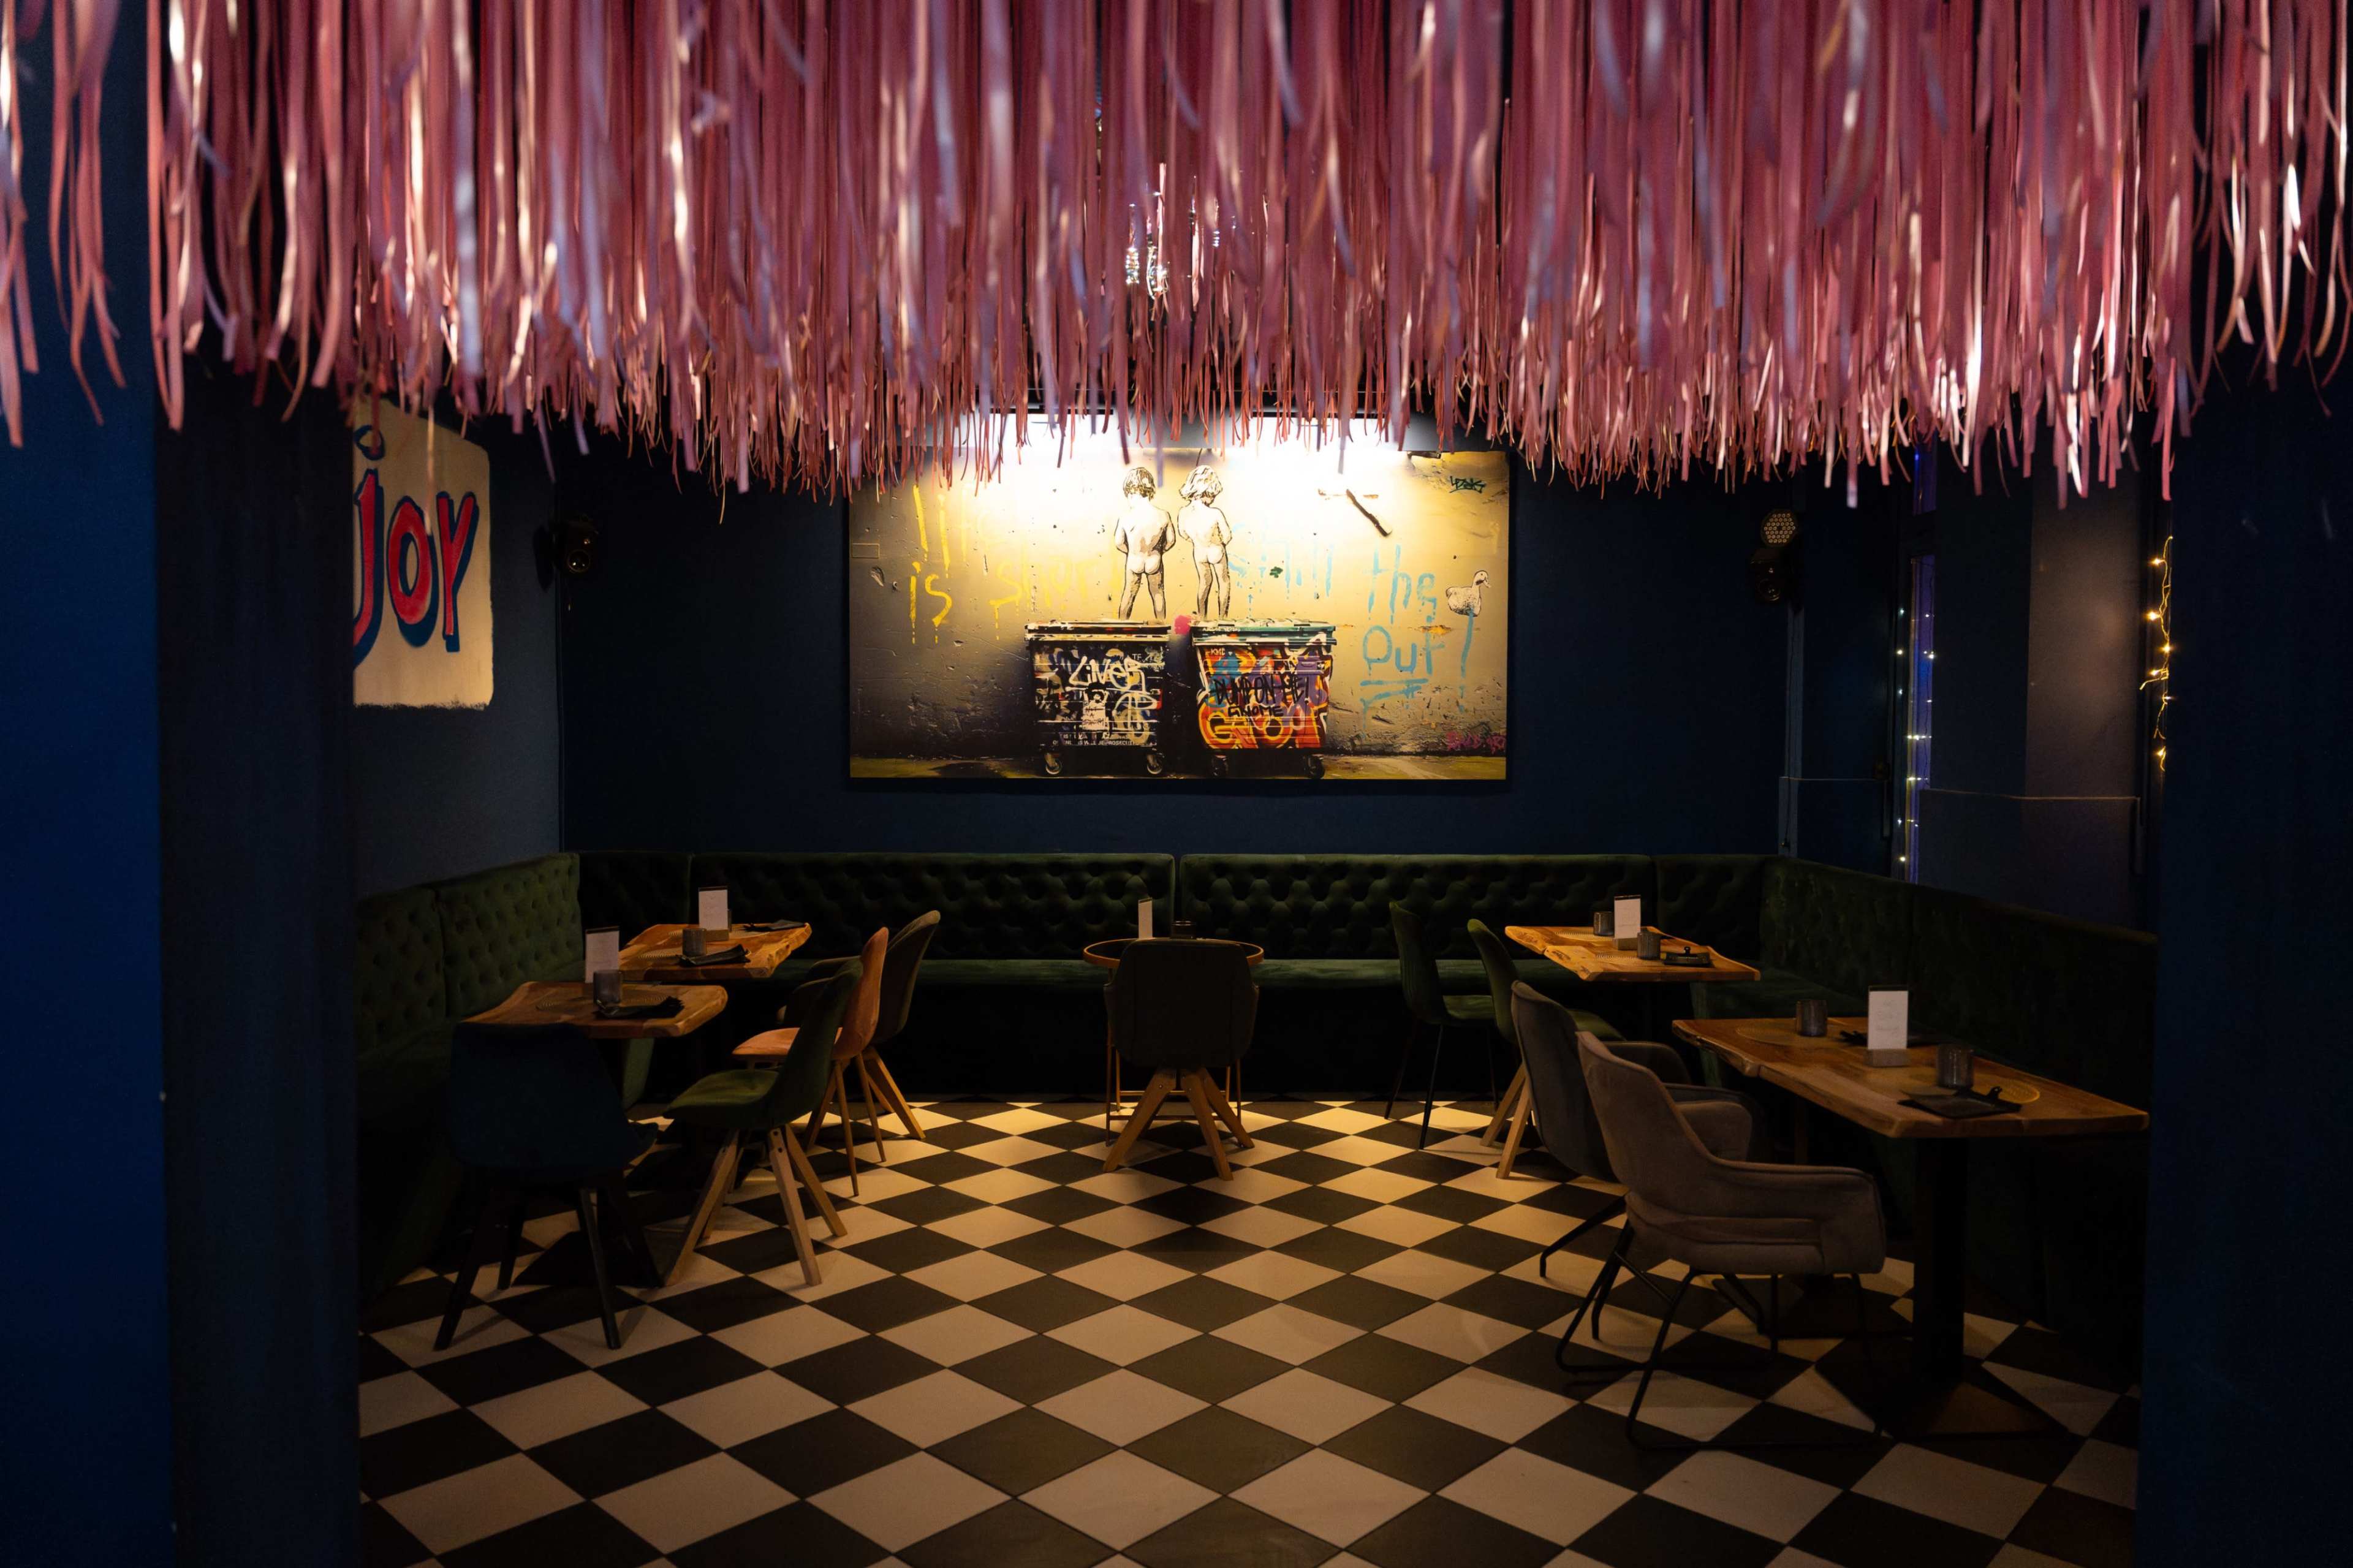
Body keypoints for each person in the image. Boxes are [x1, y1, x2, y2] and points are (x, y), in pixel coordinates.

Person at [1111, 466, 1176, 620]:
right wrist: (1159, 551)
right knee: (1158, 594)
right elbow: (1171, 541)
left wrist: (1132, 551)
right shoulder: (1163, 515)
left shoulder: (1126, 517)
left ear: (1133, 492)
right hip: (1154, 559)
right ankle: (1161, 626)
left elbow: (1119, 542)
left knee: (1129, 594)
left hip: (1135, 558)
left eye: (1128, 495)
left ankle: (1122, 628)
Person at [1176, 465, 1235, 618]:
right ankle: (1223, 617)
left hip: (1199, 552)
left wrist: (1197, 540)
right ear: (1208, 490)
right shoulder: (1215, 513)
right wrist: (1218, 541)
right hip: (1216, 549)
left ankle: (1202, 617)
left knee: (1204, 583)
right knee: (1223, 582)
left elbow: (1183, 534)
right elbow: (1227, 536)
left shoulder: (1183, 513)